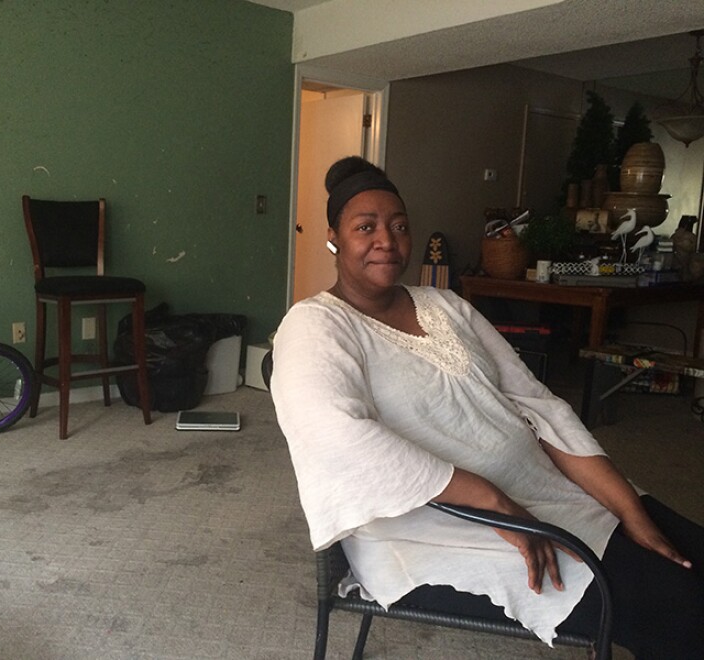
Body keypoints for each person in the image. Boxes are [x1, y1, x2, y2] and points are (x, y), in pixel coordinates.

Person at [270, 156, 704, 658]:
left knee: (686, 551)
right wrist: (494, 502)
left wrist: (628, 508)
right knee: (681, 610)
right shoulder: (315, 325)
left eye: (399, 226)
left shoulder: (446, 305)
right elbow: (337, 436)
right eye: (365, 227)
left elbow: (538, 404)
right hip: (436, 527)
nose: (386, 240)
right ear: (334, 238)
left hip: (544, 490)